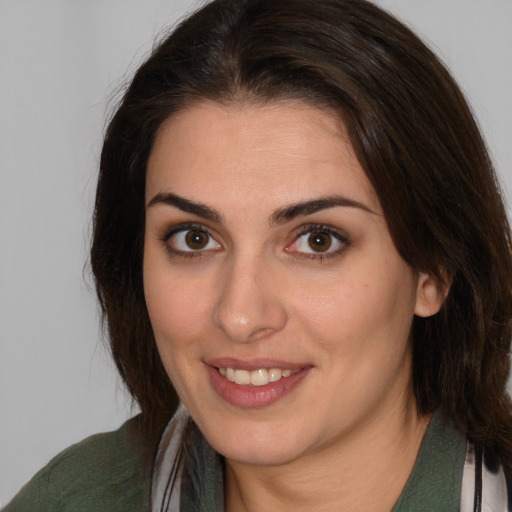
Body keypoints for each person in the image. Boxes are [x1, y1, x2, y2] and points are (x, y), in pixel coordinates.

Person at [5, 0, 512, 510]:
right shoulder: (71, 499)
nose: (240, 316)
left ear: (435, 271)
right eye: (194, 239)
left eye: (317, 240)